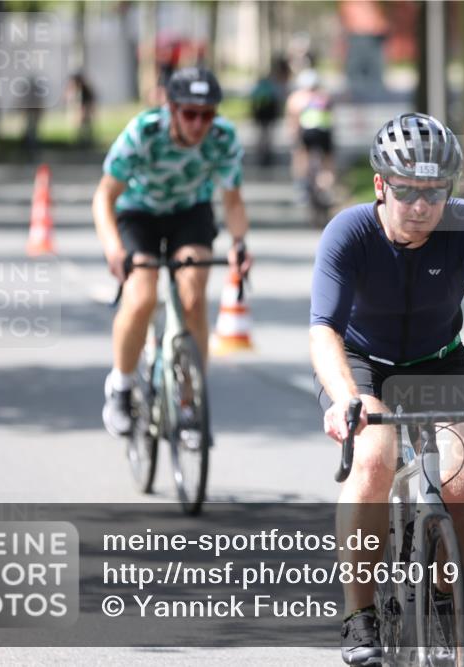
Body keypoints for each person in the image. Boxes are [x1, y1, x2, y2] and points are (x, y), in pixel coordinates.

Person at [309, 112, 464, 665]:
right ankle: (359, 615)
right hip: (362, 364)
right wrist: (346, 399)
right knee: (374, 458)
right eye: (406, 191)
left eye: (434, 192)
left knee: (461, 479)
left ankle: (443, 596)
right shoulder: (349, 232)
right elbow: (324, 330)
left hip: (437, 363)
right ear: (380, 185)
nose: (420, 205)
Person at [93, 67, 252, 437]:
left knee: (193, 295)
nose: (200, 124)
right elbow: (104, 196)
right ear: (172, 108)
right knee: (142, 296)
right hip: (138, 212)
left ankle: (188, 401)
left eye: (208, 114)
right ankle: (120, 386)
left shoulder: (223, 138)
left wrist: (240, 243)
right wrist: (114, 249)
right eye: (190, 113)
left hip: (189, 212)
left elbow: (232, 202)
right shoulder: (143, 133)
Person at [284, 68, 335, 199]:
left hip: (307, 132)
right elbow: (331, 114)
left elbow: (293, 119)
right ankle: (327, 186)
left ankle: (301, 185)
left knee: (301, 155)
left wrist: (293, 134)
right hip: (324, 131)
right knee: (327, 160)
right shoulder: (324, 95)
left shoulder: (296, 97)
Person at [250, 55, 289, 167]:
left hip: (260, 112)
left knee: (261, 134)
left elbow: (253, 96)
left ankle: (261, 153)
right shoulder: (275, 83)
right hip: (270, 112)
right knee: (268, 134)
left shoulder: (261, 83)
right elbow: (279, 97)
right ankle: (267, 153)